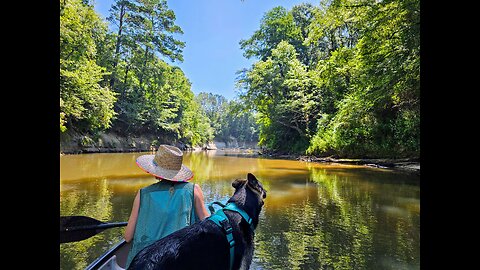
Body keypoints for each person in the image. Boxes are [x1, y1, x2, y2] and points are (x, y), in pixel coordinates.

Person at [124, 144, 210, 268]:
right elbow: (208, 227)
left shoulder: (143, 193)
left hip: (146, 263)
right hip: (178, 260)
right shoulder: (194, 190)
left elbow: (127, 237)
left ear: (155, 171)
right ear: (178, 171)